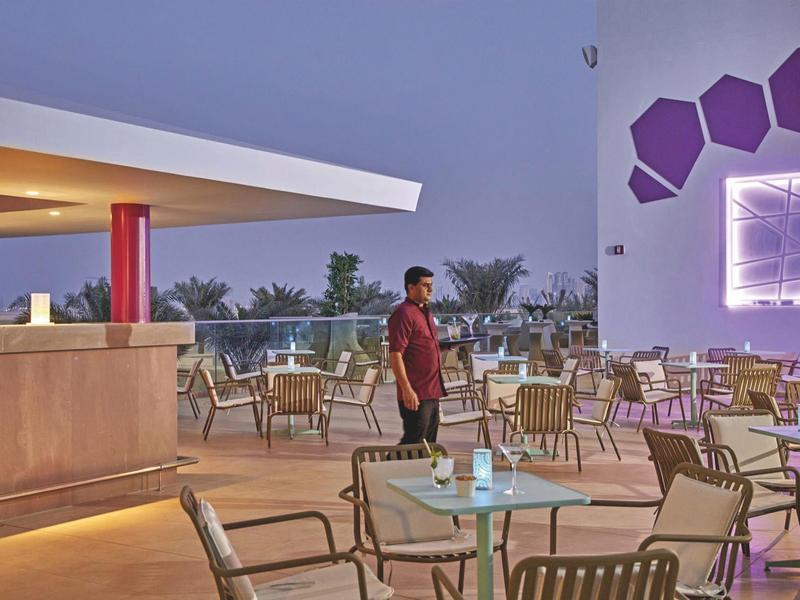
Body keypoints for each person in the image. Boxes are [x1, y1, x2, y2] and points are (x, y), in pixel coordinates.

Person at [388, 266, 446, 444]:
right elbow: (396, 354)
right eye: (425, 285)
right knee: (413, 443)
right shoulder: (404, 314)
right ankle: (380, 469)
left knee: (428, 445)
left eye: (431, 285)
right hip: (416, 392)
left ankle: (423, 472)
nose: (430, 289)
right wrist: (407, 389)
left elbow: (422, 346)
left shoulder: (425, 312)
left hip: (432, 391)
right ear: (411, 287)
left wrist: (443, 347)